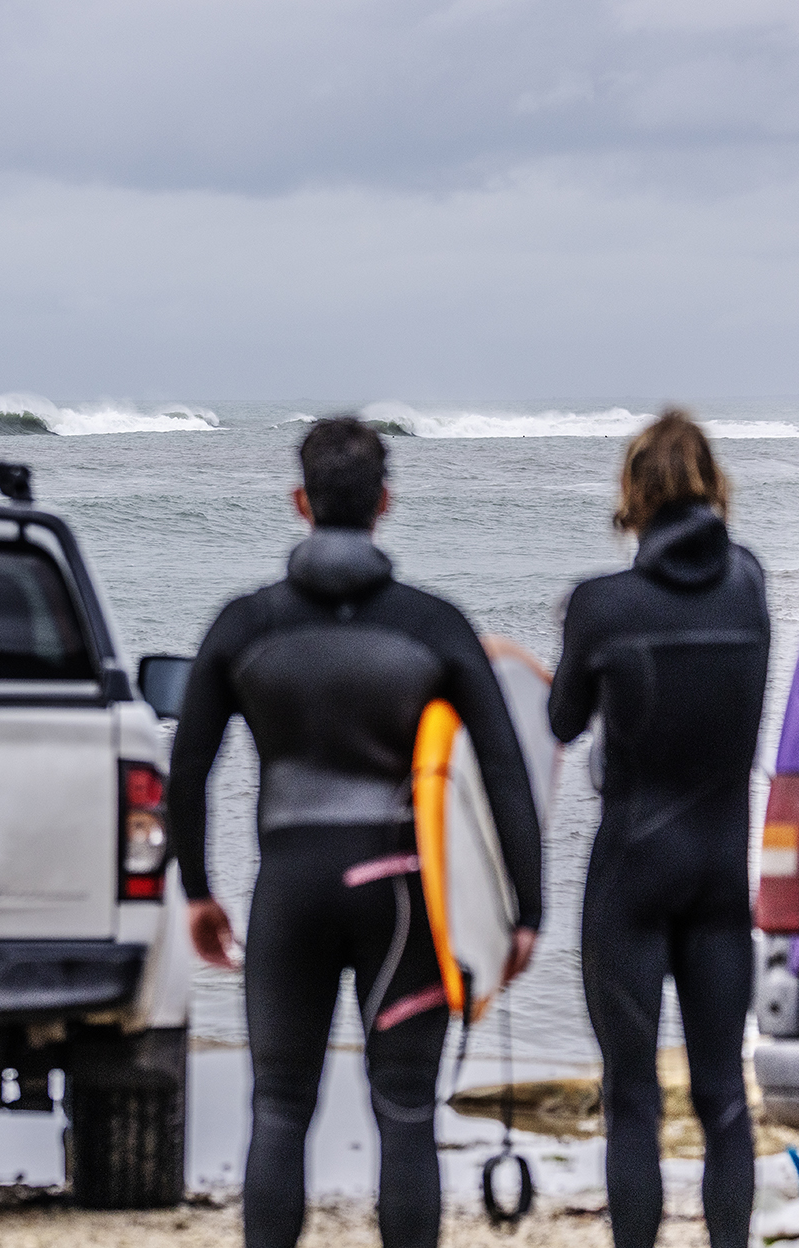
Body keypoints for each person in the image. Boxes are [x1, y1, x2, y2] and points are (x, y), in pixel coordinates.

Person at [167, 417, 544, 1248]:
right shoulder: (434, 627)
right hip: (401, 896)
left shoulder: (245, 626)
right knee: (405, 1110)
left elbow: (188, 769)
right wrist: (525, 910)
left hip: (290, 888)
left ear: (300, 502)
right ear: (385, 504)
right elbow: (505, 771)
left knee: (279, 1108)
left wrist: (197, 890)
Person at [548, 411, 769, 1248]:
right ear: (713, 489)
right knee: (723, 1097)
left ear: (633, 496)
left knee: (632, 1099)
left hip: (631, 879)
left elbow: (562, 722)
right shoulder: (750, 585)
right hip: (720, 878)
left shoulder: (600, 606)